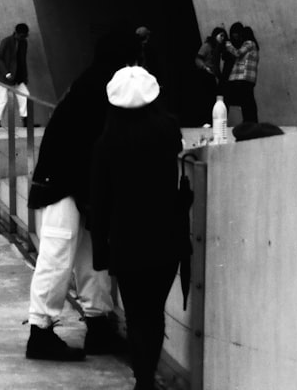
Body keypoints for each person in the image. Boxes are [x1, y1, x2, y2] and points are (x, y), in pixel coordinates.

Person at [25, 29, 134, 361]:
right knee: (59, 258)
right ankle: (40, 332)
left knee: (91, 258)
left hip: (68, 183)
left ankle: (98, 325)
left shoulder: (92, 82)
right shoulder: (104, 89)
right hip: (63, 185)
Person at [91, 66, 186, 390]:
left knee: (134, 313)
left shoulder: (107, 142)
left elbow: (100, 201)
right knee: (154, 311)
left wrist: (100, 250)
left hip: (126, 238)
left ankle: (142, 379)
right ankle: (148, 377)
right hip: (165, 234)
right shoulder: (168, 130)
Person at [0, 23, 32, 127]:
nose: (23, 38)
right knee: (2, 100)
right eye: (22, 36)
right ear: (16, 33)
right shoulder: (6, 41)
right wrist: (6, 73)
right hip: (4, 77)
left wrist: (24, 77)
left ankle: (25, 120)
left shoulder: (24, 43)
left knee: (25, 96)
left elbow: (22, 61)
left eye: (24, 36)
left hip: (18, 77)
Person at [223, 22, 259, 123]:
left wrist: (228, 45)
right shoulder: (253, 46)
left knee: (243, 100)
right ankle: (250, 121)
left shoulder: (249, 43)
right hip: (249, 78)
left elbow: (237, 53)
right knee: (247, 101)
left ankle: (249, 121)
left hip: (242, 77)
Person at [194, 26, 227, 121]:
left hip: (214, 75)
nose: (222, 38)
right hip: (206, 73)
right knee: (208, 98)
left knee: (215, 98)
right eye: (221, 35)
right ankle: (207, 120)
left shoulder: (219, 48)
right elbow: (198, 58)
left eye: (224, 36)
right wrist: (205, 67)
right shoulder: (207, 45)